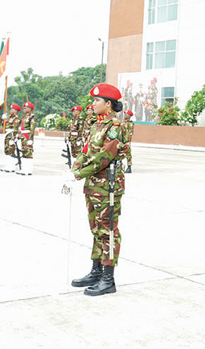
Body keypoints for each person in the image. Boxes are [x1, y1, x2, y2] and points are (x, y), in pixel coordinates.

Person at [68, 84, 129, 296]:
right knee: (96, 229)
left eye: (97, 101)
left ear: (108, 104)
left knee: (108, 230)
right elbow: (86, 152)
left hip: (108, 186)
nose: (93, 104)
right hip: (93, 185)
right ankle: (96, 271)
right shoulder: (96, 125)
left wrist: (79, 174)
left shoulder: (115, 127)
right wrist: (74, 169)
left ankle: (108, 278)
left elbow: (105, 157)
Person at [18, 102, 37, 175]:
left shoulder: (32, 117)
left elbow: (32, 129)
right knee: (24, 153)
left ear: (30, 109)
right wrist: (18, 136)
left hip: (27, 137)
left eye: (26, 108)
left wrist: (30, 139)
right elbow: (22, 128)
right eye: (24, 108)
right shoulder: (24, 117)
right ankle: (24, 169)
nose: (24, 109)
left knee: (28, 154)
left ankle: (29, 170)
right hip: (23, 137)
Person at [3, 104, 23, 173]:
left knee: (11, 152)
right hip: (7, 136)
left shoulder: (16, 119)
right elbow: (5, 126)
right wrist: (4, 119)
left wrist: (13, 138)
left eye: (12, 109)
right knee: (7, 152)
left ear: (15, 111)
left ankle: (11, 167)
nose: (10, 110)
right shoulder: (10, 118)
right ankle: (8, 166)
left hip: (11, 136)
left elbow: (15, 129)